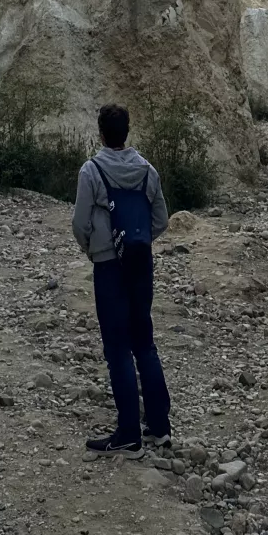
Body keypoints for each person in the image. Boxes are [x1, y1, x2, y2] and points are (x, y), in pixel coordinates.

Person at [71, 103, 171, 455]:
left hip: (109, 267)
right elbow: (161, 219)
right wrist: (138, 242)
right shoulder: (148, 171)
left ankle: (129, 433)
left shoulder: (91, 170)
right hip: (141, 263)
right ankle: (159, 427)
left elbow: (79, 223)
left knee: (116, 348)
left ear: (100, 132)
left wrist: (98, 249)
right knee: (144, 342)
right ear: (127, 131)